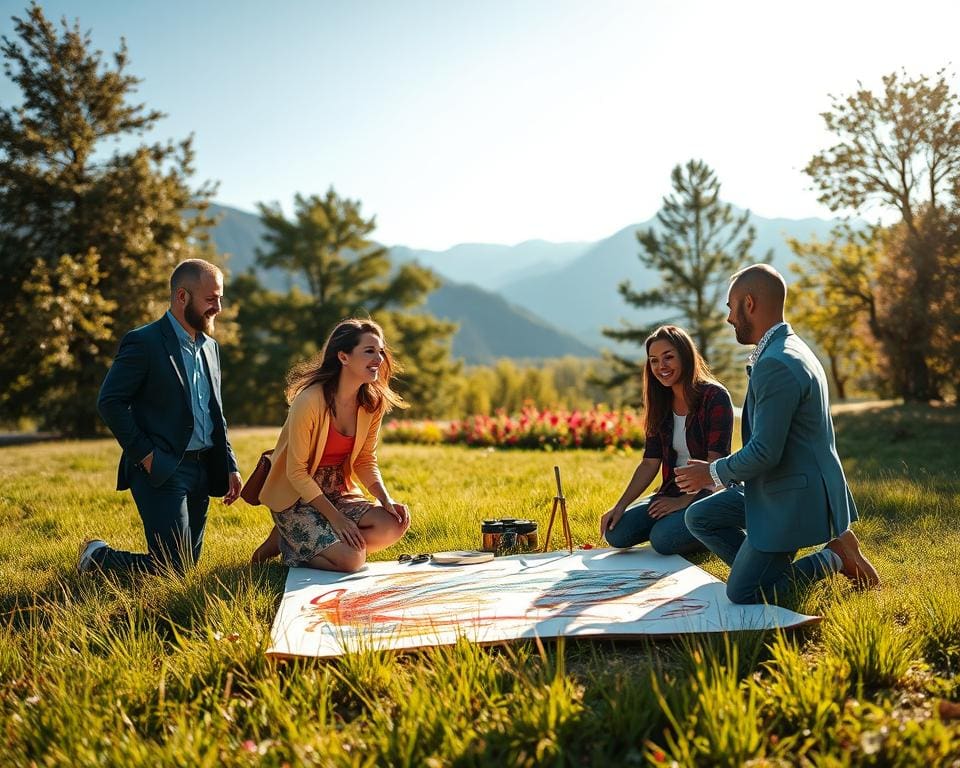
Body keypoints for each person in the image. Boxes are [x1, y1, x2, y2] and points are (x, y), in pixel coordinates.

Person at [676, 264, 880, 605]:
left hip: (793, 497)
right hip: (778, 485)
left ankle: (833, 558)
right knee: (700, 516)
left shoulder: (776, 363)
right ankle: (765, 568)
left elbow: (764, 452)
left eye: (730, 307)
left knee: (742, 592)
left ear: (750, 304)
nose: (728, 318)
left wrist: (709, 472)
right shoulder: (788, 346)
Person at [77, 259, 242, 575]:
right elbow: (110, 401)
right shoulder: (144, 342)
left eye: (220, 298)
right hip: (162, 467)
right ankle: (97, 557)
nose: (218, 307)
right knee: (172, 567)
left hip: (203, 467)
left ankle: (104, 560)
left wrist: (230, 464)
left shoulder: (211, 347)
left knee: (185, 568)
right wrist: (146, 454)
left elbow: (215, 411)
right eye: (211, 299)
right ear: (182, 297)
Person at [250, 318, 410, 572]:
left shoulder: (372, 403)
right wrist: (336, 520)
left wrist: (385, 499)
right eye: (369, 351)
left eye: (380, 351)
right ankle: (292, 542)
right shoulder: (310, 400)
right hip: (297, 496)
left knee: (393, 524)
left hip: (339, 490)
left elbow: (365, 460)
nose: (379, 359)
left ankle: (293, 539)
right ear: (343, 357)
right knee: (353, 560)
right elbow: (296, 472)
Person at [599, 325, 734, 555]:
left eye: (668, 357)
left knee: (662, 539)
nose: (661, 366)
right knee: (617, 532)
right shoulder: (660, 400)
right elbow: (650, 462)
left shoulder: (715, 397)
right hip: (670, 490)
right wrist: (620, 505)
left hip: (708, 492)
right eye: (653, 360)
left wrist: (683, 502)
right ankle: (675, 522)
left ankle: (714, 527)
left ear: (685, 356)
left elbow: (715, 465)